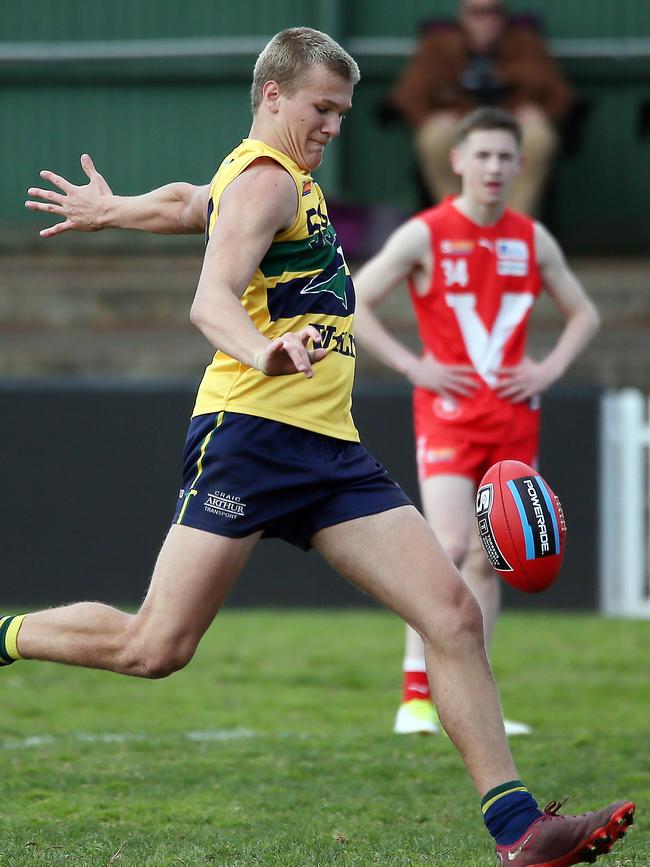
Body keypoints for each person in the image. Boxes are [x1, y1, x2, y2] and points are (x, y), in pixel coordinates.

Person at [18, 28, 634, 866]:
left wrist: (114, 208)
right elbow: (210, 299)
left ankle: (519, 830)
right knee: (153, 646)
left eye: (344, 111)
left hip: (328, 448)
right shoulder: (270, 182)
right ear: (272, 95)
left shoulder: (267, 178)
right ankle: (7, 630)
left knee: (452, 613)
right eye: (323, 107)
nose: (336, 125)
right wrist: (261, 348)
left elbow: (192, 202)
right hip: (251, 438)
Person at [353, 106, 600, 740]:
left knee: (494, 562)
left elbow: (585, 316)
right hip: (448, 416)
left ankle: (473, 701)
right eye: (482, 155)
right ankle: (415, 697)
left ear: (521, 165)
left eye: (505, 157)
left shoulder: (531, 238)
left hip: (514, 418)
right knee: (447, 548)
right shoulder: (426, 233)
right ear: (457, 160)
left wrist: (546, 371)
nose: (493, 168)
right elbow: (353, 299)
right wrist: (414, 365)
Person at [388, 0, 572, 215]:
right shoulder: (438, 45)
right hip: (460, 127)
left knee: (539, 135)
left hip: (509, 124)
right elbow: (407, 96)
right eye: (477, 13)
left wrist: (539, 112)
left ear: (504, 17)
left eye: (493, 12)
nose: (486, 21)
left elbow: (559, 95)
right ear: (462, 16)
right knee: (433, 135)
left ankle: (511, 223)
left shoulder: (526, 44)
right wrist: (430, 117)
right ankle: (461, 219)